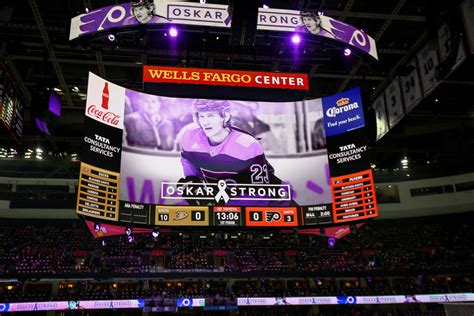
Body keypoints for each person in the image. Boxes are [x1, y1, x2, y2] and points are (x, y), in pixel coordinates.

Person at [179, 99, 281, 186]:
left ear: (225, 116)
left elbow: (259, 192)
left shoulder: (248, 145)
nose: (205, 122)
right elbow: (191, 173)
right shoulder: (190, 138)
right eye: (202, 116)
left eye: (211, 116)